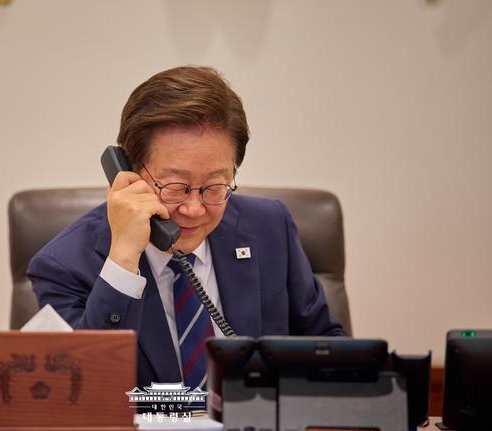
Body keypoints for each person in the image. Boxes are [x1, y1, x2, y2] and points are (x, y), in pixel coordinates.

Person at [28, 66, 345, 390]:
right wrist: (123, 260)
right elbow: (80, 391)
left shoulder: (270, 227)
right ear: (129, 173)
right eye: (175, 187)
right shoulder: (63, 265)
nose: (194, 209)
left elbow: (327, 346)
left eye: (215, 186)